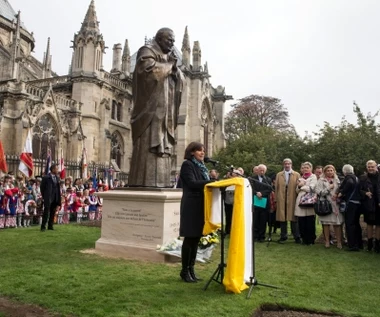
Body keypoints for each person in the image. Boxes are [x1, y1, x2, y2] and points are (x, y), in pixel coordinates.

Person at [129, 28, 184, 188]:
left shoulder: (169, 57)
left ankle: (161, 181)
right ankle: (142, 181)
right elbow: (148, 72)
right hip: (149, 112)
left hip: (165, 110)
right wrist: (170, 66)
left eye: (174, 41)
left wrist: (174, 69)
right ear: (159, 39)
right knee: (148, 145)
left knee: (163, 145)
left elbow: (180, 77)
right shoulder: (146, 51)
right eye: (169, 40)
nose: (172, 44)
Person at [179, 142, 213, 283]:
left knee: (196, 239)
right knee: (189, 239)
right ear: (192, 152)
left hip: (201, 205)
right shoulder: (188, 165)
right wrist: (210, 183)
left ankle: (191, 269)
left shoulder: (202, 167)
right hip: (191, 206)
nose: (202, 153)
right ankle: (184, 270)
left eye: (203, 150)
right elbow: (192, 183)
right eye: (199, 150)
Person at [316, 165, 344, 248]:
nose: (329, 172)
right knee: (326, 224)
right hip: (325, 205)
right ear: (325, 172)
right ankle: (327, 241)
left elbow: (341, 190)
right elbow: (319, 192)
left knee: (337, 224)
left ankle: (339, 242)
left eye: (331, 170)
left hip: (335, 204)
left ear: (334, 171)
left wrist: (338, 195)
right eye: (328, 170)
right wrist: (328, 188)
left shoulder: (337, 180)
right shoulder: (321, 180)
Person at [275, 158, 301, 243]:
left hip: (292, 198)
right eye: (285, 164)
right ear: (283, 165)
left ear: (291, 164)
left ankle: (296, 236)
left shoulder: (296, 174)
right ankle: (283, 236)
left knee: (294, 218)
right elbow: (276, 187)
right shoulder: (279, 174)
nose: (287, 165)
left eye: (288, 164)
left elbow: (298, 187)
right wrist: (276, 199)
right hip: (282, 198)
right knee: (282, 218)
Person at [337, 164, 362, 251]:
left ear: (344, 172)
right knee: (356, 223)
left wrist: (342, 193)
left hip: (350, 203)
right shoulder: (356, 178)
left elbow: (349, 183)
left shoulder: (348, 178)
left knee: (350, 224)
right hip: (358, 203)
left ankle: (352, 245)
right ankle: (359, 243)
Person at [294, 162, 318, 245]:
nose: (305, 169)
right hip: (300, 201)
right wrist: (299, 186)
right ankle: (304, 239)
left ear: (310, 168)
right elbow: (296, 190)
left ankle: (310, 239)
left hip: (309, 201)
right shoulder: (300, 178)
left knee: (310, 222)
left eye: (307, 167)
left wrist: (302, 186)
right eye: (304, 168)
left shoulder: (313, 177)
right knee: (301, 222)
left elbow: (311, 188)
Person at [360, 160, 380, 252]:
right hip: (368, 203)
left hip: (378, 203)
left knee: (379, 224)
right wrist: (365, 193)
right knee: (369, 224)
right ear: (367, 167)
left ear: (376, 166)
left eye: (372, 166)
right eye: (369, 166)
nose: (371, 168)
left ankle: (377, 245)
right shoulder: (363, 178)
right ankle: (369, 245)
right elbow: (358, 190)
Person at [250, 164, 272, 242]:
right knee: (256, 219)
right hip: (255, 201)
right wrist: (256, 193)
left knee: (263, 220)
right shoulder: (252, 179)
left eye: (263, 170)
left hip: (264, 202)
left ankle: (262, 236)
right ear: (257, 170)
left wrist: (262, 193)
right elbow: (251, 188)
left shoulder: (268, 179)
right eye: (260, 170)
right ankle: (255, 236)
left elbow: (269, 189)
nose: (262, 172)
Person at [40, 164, 61, 231]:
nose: (58, 170)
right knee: (46, 212)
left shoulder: (57, 178)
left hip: (55, 197)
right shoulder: (46, 177)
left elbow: (57, 188)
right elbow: (42, 188)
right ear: (53, 169)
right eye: (56, 169)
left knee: (53, 212)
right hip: (48, 197)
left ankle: (50, 225)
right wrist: (45, 196)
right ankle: (43, 226)